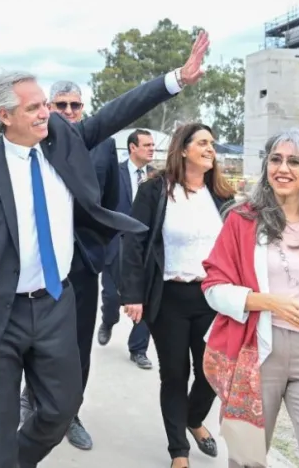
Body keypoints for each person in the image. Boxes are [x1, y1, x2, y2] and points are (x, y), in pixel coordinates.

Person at [0, 30, 210, 468]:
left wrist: (176, 78)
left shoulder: (64, 143)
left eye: (44, 105)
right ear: (5, 116)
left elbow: (117, 111)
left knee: (61, 408)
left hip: (55, 303)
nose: (46, 114)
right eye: (34, 108)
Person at [200, 128, 299, 467]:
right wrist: (270, 302)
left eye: (294, 161)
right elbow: (213, 287)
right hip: (257, 350)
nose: (283, 168)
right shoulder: (242, 220)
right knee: (247, 459)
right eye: (276, 159)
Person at [120, 123, 235, 468]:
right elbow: (134, 242)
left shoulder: (222, 195)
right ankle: (179, 452)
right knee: (174, 374)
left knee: (212, 372)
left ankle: (193, 418)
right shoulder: (155, 190)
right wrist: (132, 294)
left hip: (212, 299)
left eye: (212, 144)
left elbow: (237, 247)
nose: (210, 149)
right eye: (203, 143)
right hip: (168, 297)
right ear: (183, 149)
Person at [18, 80, 120, 450]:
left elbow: (111, 203)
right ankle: (32, 398)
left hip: (83, 261)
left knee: (78, 342)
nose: (69, 112)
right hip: (40, 259)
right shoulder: (35, 141)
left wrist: (99, 249)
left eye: (75, 105)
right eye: (61, 105)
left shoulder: (103, 146)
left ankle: (70, 413)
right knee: (35, 334)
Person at [98, 128, 155, 369]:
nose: (152, 149)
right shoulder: (115, 173)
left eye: (153, 145)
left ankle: (138, 349)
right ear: (133, 147)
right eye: (147, 145)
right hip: (116, 243)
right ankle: (108, 320)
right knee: (112, 296)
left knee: (145, 298)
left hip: (145, 245)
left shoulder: (156, 177)